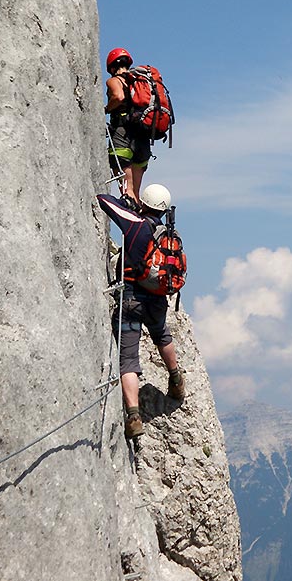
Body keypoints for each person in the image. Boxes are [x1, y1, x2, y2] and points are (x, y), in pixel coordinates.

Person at [97, 183, 185, 439]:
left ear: (144, 203)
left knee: (128, 361)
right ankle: (176, 379)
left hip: (131, 298)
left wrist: (128, 203)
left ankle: (134, 416)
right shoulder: (168, 233)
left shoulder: (135, 224)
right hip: (157, 300)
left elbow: (104, 200)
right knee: (162, 335)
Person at [105, 47, 150, 211]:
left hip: (122, 135)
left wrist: (106, 109)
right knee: (135, 194)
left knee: (127, 191)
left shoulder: (114, 81)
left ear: (111, 66)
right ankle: (140, 221)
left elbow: (119, 96)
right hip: (142, 139)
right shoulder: (138, 82)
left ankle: (131, 228)